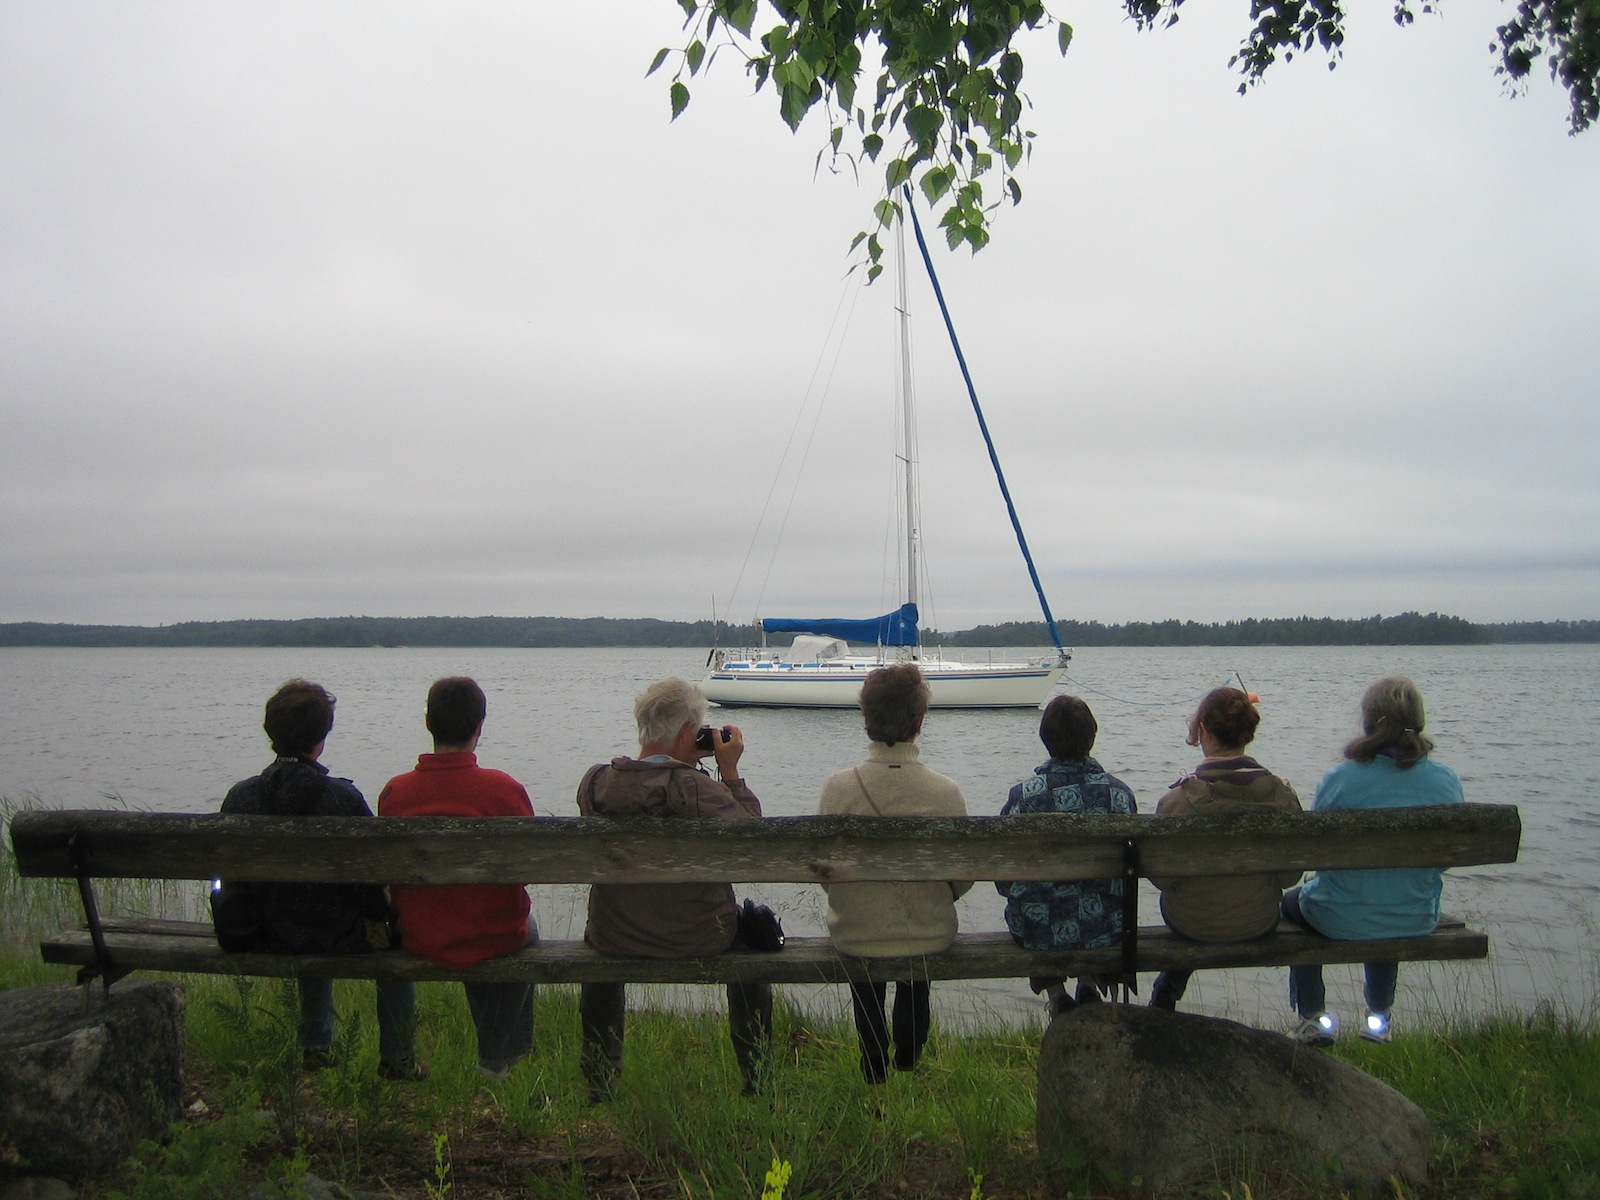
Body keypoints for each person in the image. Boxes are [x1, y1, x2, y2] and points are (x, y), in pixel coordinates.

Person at [212, 679, 422, 1080]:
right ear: (321, 738)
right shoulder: (342, 799)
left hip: (263, 933)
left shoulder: (241, 797)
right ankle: (398, 1058)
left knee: (298, 908)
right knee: (388, 941)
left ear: (272, 734)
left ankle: (316, 1046)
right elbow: (374, 873)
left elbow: (230, 879)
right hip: (337, 934)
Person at [574, 677, 772, 1099]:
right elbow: (753, 845)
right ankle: (757, 1079)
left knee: (598, 949)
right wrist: (729, 771)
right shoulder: (696, 788)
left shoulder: (595, 783)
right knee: (754, 950)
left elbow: (645, 782)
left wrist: (683, 759)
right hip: (699, 937)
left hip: (614, 936)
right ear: (687, 732)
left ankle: (600, 1081)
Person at [1282, 675, 1465, 1046]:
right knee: (1390, 897)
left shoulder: (1342, 779)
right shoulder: (1444, 780)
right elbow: (1446, 859)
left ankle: (1312, 1016)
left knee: (1291, 904)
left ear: (1369, 720)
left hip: (1338, 918)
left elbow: (1319, 853)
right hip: (1415, 917)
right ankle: (1379, 1016)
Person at [377, 677, 538, 1078]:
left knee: (474, 918)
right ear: (479, 727)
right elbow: (527, 870)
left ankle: (493, 1058)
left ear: (428, 723)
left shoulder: (396, 793)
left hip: (419, 934)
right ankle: (499, 1058)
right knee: (519, 926)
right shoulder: (504, 790)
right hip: (492, 934)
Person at [818, 664, 971, 1084]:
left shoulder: (837, 788)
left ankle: (873, 1059)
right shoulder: (945, 792)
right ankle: (909, 1050)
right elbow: (962, 877)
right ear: (919, 720)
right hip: (928, 932)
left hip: (855, 932)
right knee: (918, 927)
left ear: (866, 718)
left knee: (866, 924)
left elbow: (827, 873)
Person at [1146, 686, 1303, 1012]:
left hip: (1191, 923)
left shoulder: (1177, 801)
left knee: (1188, 898)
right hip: (1259, 920)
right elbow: (1290, 877)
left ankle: (1168, 987)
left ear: (1203, 730)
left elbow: (1161, 880)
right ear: (1247, 731)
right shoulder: (1283, 796)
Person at [996, 694, 1137, 1017]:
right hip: (1105, 928)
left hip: (1039, 929)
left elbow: (1003, 877)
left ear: (1045, 739)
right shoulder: (1118, 794)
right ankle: (1087, 982)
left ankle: (1057, 994)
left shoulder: (1024, 796)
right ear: (1092, 737)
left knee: (1033, 903)